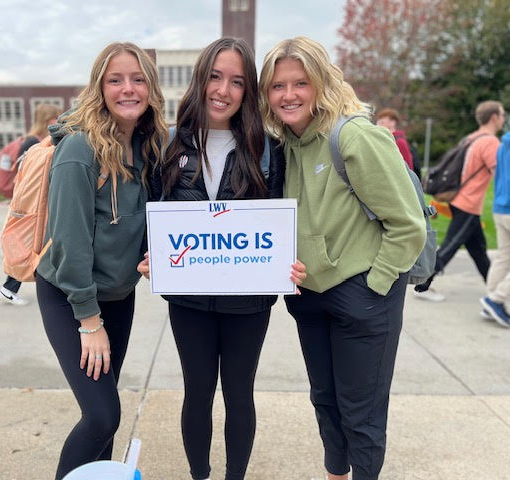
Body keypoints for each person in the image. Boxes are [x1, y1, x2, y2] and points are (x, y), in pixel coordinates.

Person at [138, 37, 305, 480]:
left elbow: (285, 221)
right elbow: (151, 213)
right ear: (200, 79)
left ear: (248, 91)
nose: (223, 90)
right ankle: (199, 475)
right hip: (189, 301)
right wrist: (149, 254)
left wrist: (293, 259)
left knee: (238, 393)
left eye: (236, 81)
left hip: (248, 304)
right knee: (196, 393)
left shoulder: (267, 148)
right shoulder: (169, 144)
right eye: (215, 76)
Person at [259, 37, 426, 480]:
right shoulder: (284, 146)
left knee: (362, 413)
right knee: (325, 401)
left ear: (321, 84)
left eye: (300, 83)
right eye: (278, 86)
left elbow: (409, 225)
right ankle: (336, 474)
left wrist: (376, 284)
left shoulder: (354, 136)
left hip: (364, 296)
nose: (288, 95)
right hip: (310, 299)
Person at [34, 42, 167, 479]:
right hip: (70, 297)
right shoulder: (79, 150)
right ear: (100, 88)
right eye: (116, 80)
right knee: (102, 416)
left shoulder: (148, 149)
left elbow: (146, 223)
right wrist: (89, 322)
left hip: (118, 296)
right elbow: (70, 244)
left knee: (104, 417)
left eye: (138, 79)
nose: (128, 89)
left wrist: (153, 256)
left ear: (151, 87)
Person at [414, 101, 505, 302]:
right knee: (449, 247)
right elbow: (500, 174)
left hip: (461, 200)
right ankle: (422, 285)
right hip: (468, 203)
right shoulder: (490, 142)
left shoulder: (471, 137)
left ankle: (495, 292)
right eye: (502, 115)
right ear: (494, 118)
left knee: (478, 250)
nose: (504, 119)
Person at [0, 102, 62, 306]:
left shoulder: (32, 141)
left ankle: (10, 286)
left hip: (29, 204)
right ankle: (8, 287)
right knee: (29, 247)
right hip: (30, 205)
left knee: (29, 247)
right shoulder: (35, 144)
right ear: (48, 120)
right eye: (55, 117)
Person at [480, 127, 510, 327]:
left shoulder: (504, 142)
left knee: (503, 257)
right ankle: (496, 299)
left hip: (500, 206)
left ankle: (491, 300)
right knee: (504, 257)